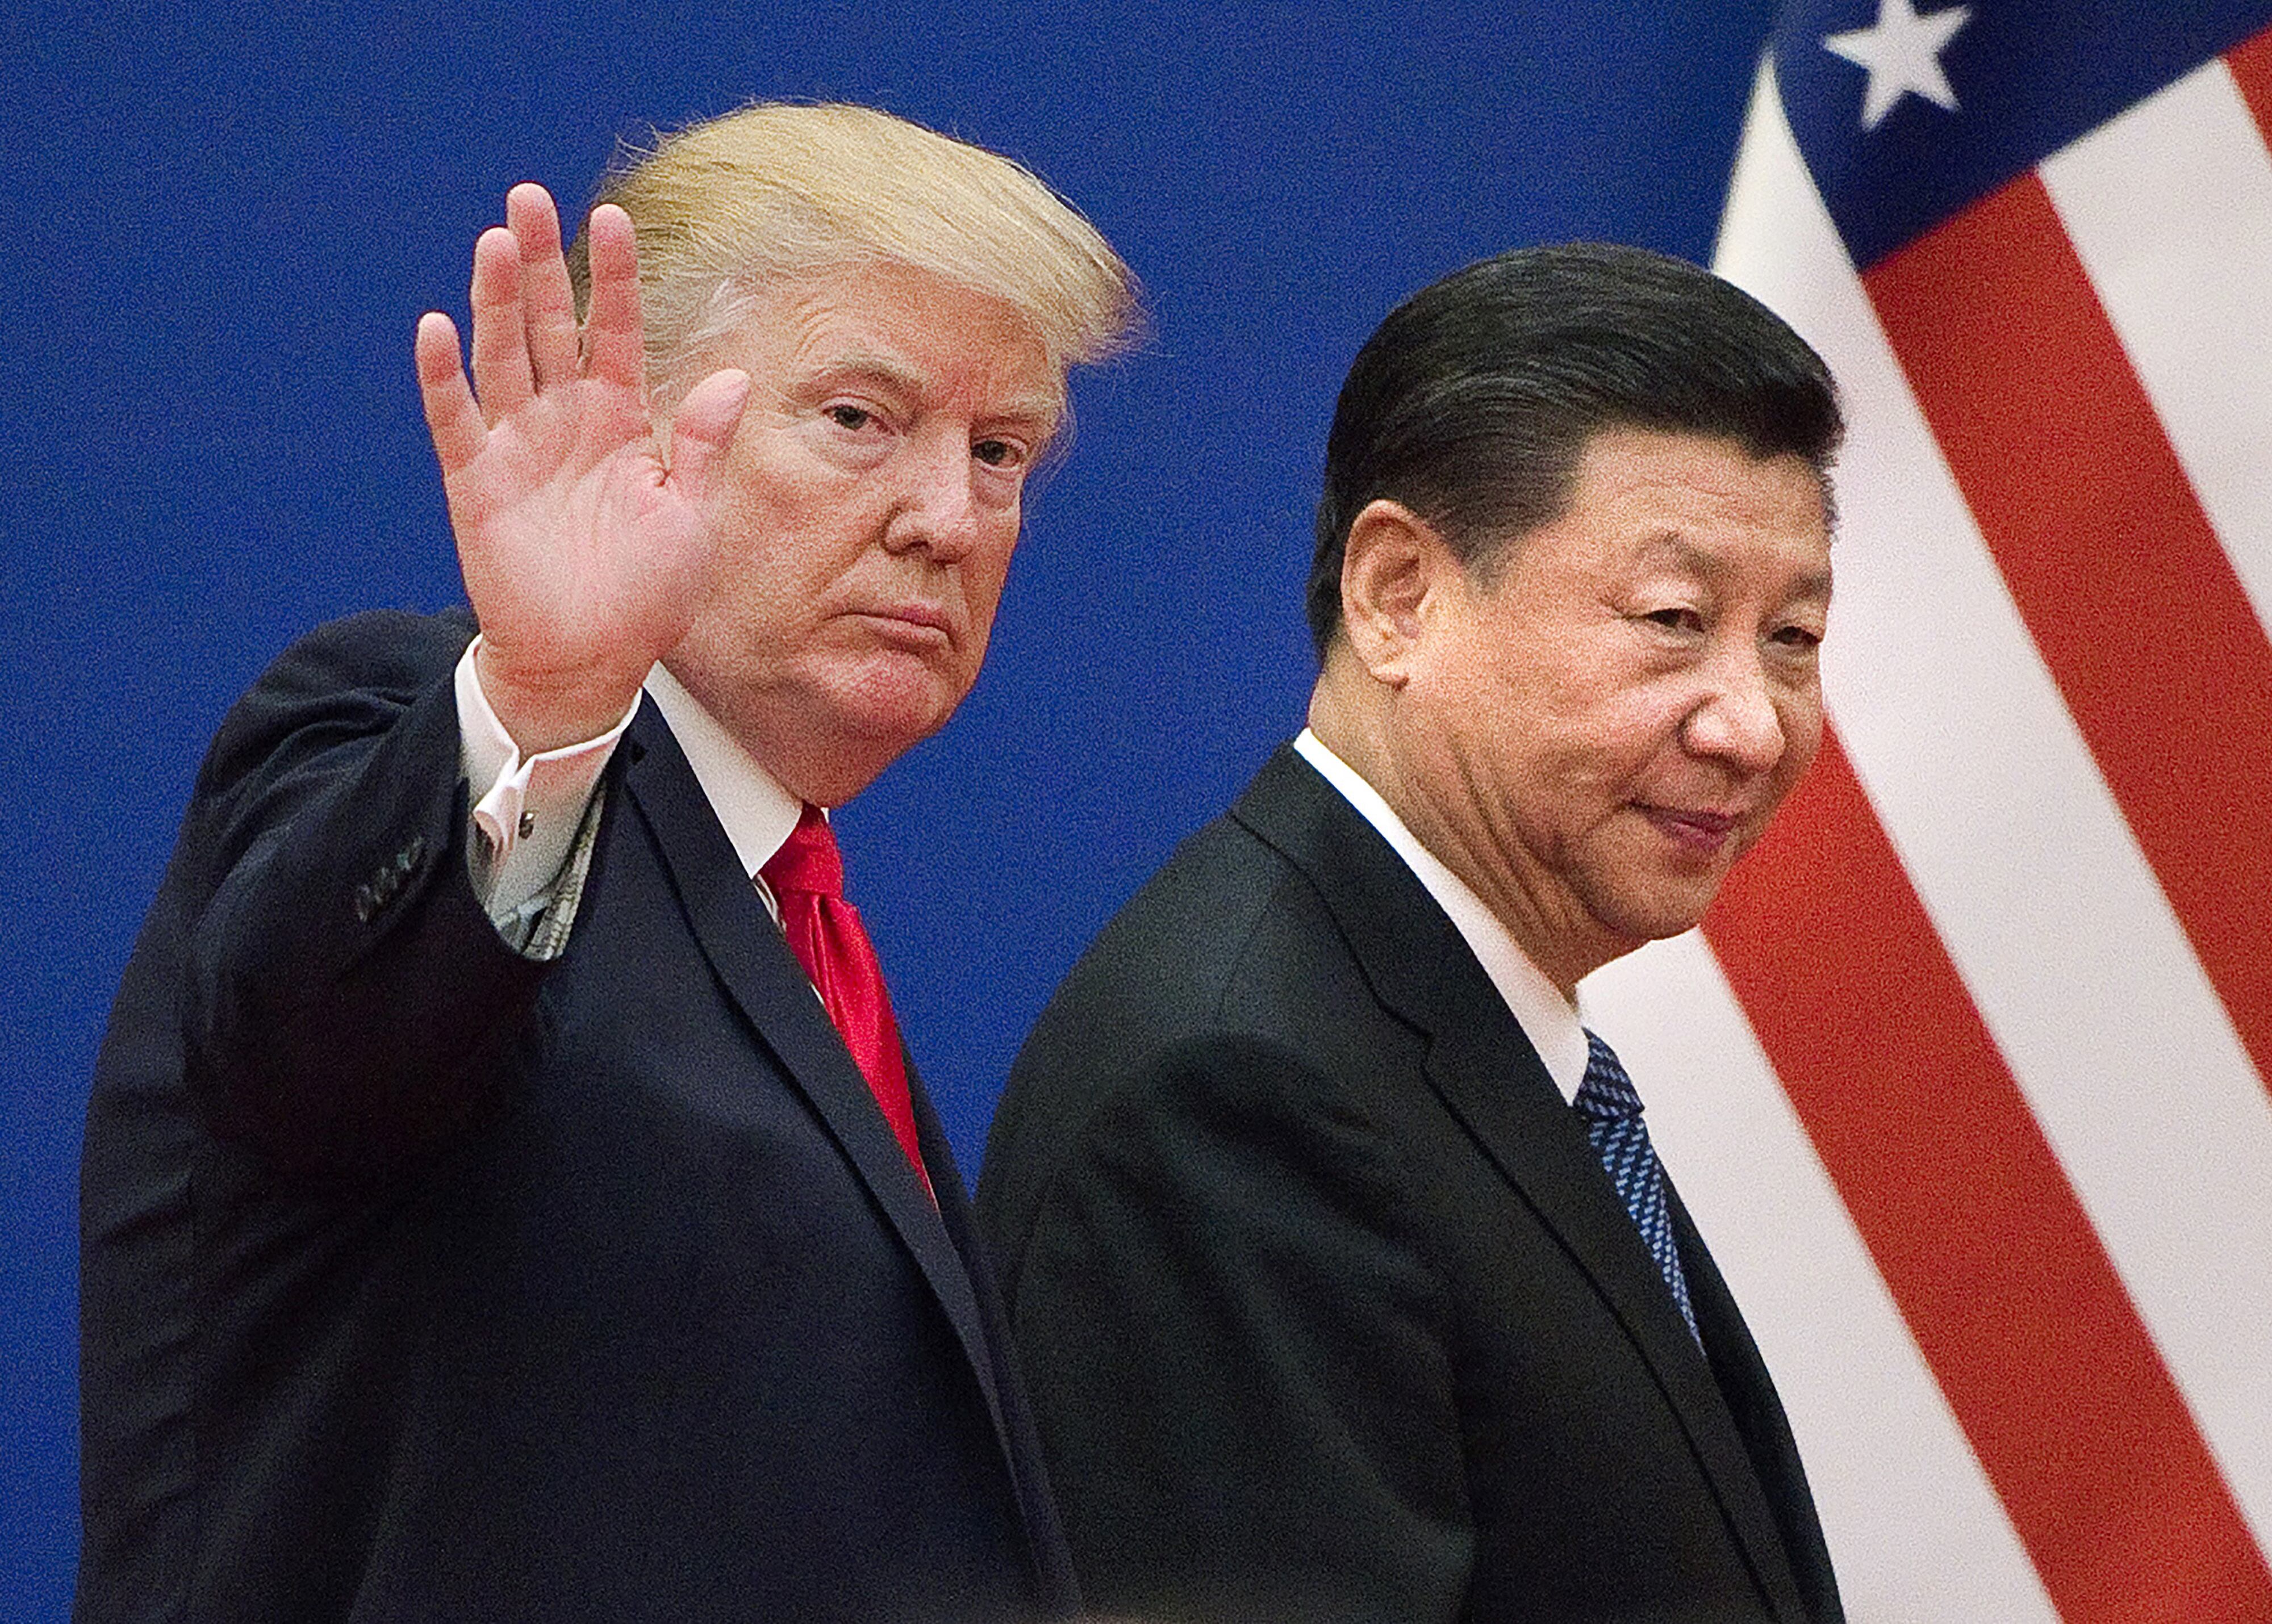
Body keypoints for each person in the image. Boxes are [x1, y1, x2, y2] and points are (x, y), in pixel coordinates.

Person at [78, 102, 1135, 1622]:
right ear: (632, 423)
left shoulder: (783, 897)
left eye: (999, 451)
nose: (948, 518)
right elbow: (319, 1042)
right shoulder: (412, 730)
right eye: (859, 418)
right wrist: (546, 701)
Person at [978, 243, 1846, 1623]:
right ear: (1398, 595)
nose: (1749, 724)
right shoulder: (1237, 1091)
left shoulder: (1447, 1022)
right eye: (1672, 620)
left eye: (1791, 636)